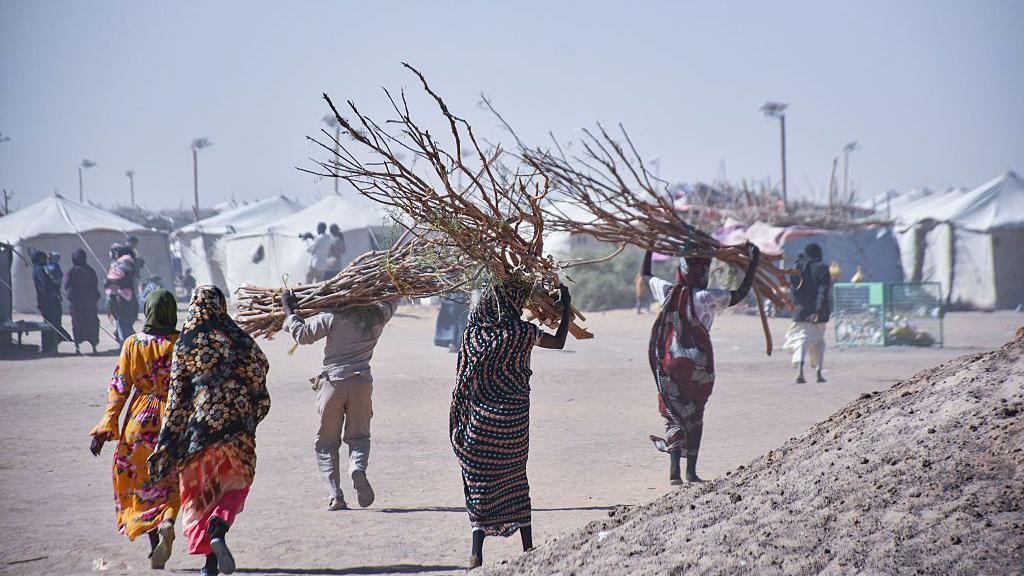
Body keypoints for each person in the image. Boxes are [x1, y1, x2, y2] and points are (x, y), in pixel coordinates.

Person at [148, 285, 270, 576]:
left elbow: (177, 397)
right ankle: (219, 529)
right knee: (236, 483)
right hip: (236, 429)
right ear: (221, 305)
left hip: (198, 432)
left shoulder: (187, 342)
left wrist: (167, 441)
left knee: (199, 495)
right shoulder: (240, 338)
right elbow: (260, 370)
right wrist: (251, 411)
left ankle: (209, 562)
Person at [450, 281, 572, 569]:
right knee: (516, 479)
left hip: (479, 426)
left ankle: (476, 553)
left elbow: (462, 380)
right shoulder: (523, 332)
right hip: (513, 425)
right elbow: (559, 342)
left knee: (480, 484)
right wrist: (565, 309)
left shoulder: (473, 335)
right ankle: (528, 547)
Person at [641, 244, 760, 485]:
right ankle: (691, 472)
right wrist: (753, 264)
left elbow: (645, 276)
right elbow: (740, 294)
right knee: (696, 415)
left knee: (673, 416)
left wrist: (649, 249)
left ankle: (674, 472)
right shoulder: (707, 297)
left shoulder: (667, 291)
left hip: (670, 362)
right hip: (699, 365)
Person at [280, 288, 397, 511]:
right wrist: (389, 283)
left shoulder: (332, 317)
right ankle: (357, 467)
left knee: (326, 443)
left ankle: (335, 495)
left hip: (333, 384)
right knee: (359, 437)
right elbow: (393, 298)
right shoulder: (378, 317)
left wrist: (289, 310)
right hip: (362, 384)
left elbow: (303, 335)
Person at [89, 289, 181, 569]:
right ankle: (167, 520)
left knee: (141, 484)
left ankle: (155, 546)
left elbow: (119, 388)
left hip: (140, 424)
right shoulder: (183, 343)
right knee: (172, 482)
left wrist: (104, 429)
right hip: (175, 421)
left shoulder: (132, 344)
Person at [783, 243, 832, 384]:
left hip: (802, 311)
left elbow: (794, 291)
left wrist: (801, 308)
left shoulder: (797, 268)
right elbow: (823, 291)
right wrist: (817, 310)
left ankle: (800, 371)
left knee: (801, 340)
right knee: (819, 341)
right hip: (820, 313)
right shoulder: (822, 268)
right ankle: (818, 372)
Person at [64, 248, 101, 354]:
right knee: (79, 325)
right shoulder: (73, 272)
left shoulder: (87, 271)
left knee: (91, 324)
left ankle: (92, 347)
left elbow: (94, 285)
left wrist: (94, 298)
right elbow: (68, 287)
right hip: (79, 304)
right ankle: (79, 347)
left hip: (87, 303)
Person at [31, 251, 67, 355]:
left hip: (44, 301)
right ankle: (49, 347)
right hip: (49, 301)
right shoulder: (40, 270)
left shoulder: (37, 269)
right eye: (43, 258)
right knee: (51, 324)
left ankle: (50, 347)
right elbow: (45, 285)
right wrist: (54, 290)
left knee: (50, 324)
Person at [106, 246, 141, 344]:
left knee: (123, 324)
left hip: (122, 298)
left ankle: (126, 346)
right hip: (127, 298)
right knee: (124, 324)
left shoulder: (123, 266)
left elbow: (115, 278)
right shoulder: (128, 264)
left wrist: (110, 280)